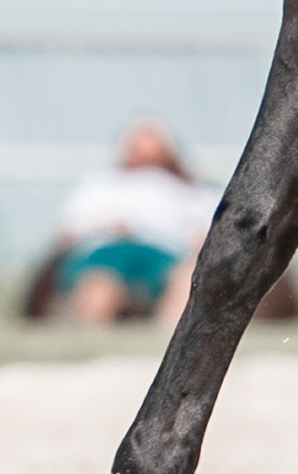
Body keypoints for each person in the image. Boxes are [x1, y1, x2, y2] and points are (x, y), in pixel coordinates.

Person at [23, 117, 217, 326]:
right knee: (98, 285)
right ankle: (92, 339)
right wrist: (105, 225)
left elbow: (210, 230)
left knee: (188, 278)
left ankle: (170, 341)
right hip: (108, 250)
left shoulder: (192, 190)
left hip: (166, 252)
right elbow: (67, 231)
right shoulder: (101, 185)